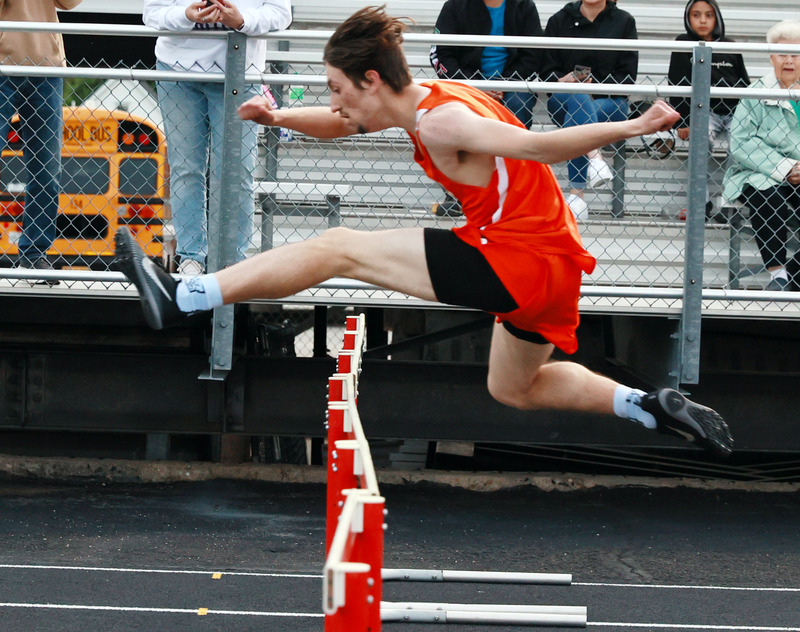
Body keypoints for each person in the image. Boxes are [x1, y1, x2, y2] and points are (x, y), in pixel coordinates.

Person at [115, 6, 734, 458]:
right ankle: (648, 407)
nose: (334, 102)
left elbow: (538, 146)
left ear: (372, 81)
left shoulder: (442, 120)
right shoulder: (420, 100)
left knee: (338, 249)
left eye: (337, 89)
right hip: (551, 268)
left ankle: (184, 298)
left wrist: (627, 127)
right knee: (513, 387)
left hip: (515, 254)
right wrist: (278, 116)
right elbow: (339, 124)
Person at [142, 0, 292, 275]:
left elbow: (281, 13)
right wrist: (186, 15)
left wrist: (242, 20)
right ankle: (191, 259)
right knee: (186, 168)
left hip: (240, 72)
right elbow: (152, 12)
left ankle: (231, 263)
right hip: (177, 72)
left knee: (236, 171)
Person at [429, 0, 544, 218]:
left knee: (519, 106)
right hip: (467, 86)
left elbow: (534, 55)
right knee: (452, 114)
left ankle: (513, 192)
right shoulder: (456, 5)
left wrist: (502, 83)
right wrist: (476, 86)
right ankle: (458, 194)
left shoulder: (524, 6)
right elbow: (441, 54)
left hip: (511, 86)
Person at [0, 0, 83, 280]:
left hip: (46, 70)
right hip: (2, 65)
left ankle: (34, 254)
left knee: (46, 170)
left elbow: (69, 3)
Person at [541, 0, 638, 219]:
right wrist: (562, 80)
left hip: (610, 104)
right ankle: (594, 157)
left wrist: (598, 84)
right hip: (562, 101)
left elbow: (628, 76)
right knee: (578, 95)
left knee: (580, 107)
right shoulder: (559, 20)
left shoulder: (624, 22)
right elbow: (545, 70)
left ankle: (577, 196)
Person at [722, 19, 800, 291]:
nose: (789, 61)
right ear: (771, 57)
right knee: (768, 196)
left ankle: (793, 276)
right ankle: (778, 275)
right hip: (758, 171)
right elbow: (741, 141)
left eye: (796, 54)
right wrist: (786, 168)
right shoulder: (755, 93)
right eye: (782, 54)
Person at [661, 0, 749, 222]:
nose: (702, 20)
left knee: (740, 144)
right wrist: (682, 120)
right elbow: (676, 83)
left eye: (709, 15)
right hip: (703, 112)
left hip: (734, 112)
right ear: (688, 19)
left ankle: (731, 200)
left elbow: (745, 83)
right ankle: (702, 203)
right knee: (701, 140)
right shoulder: (683, 44)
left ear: (716, 18)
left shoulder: (730, 45)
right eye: (696, 15)